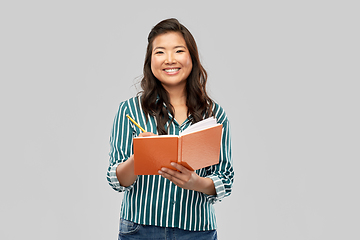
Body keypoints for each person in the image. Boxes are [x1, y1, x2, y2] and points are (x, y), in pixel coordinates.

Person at [107, 18, 234, 240]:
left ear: (191, 58)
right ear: (150, 61)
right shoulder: (130, 110)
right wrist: (140, 156)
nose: (169, 60)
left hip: (197, 231)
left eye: (178, 51)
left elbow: (225, 177)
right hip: (140, 229)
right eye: (160, 52)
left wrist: (197, 183)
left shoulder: (214, 115)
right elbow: (116, 179)